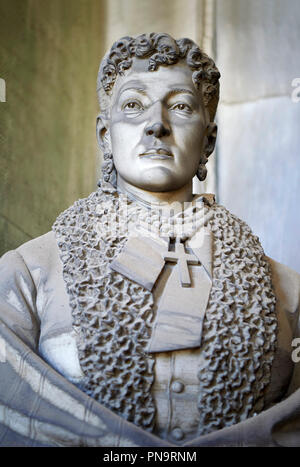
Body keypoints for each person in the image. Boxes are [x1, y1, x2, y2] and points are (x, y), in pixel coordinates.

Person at [0, 32, 300, 447]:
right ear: (106, 136)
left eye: (179, 106)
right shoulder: (28, 275)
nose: (156, 124)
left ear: (208, 140)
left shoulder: (289, 295)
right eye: (133, 105)